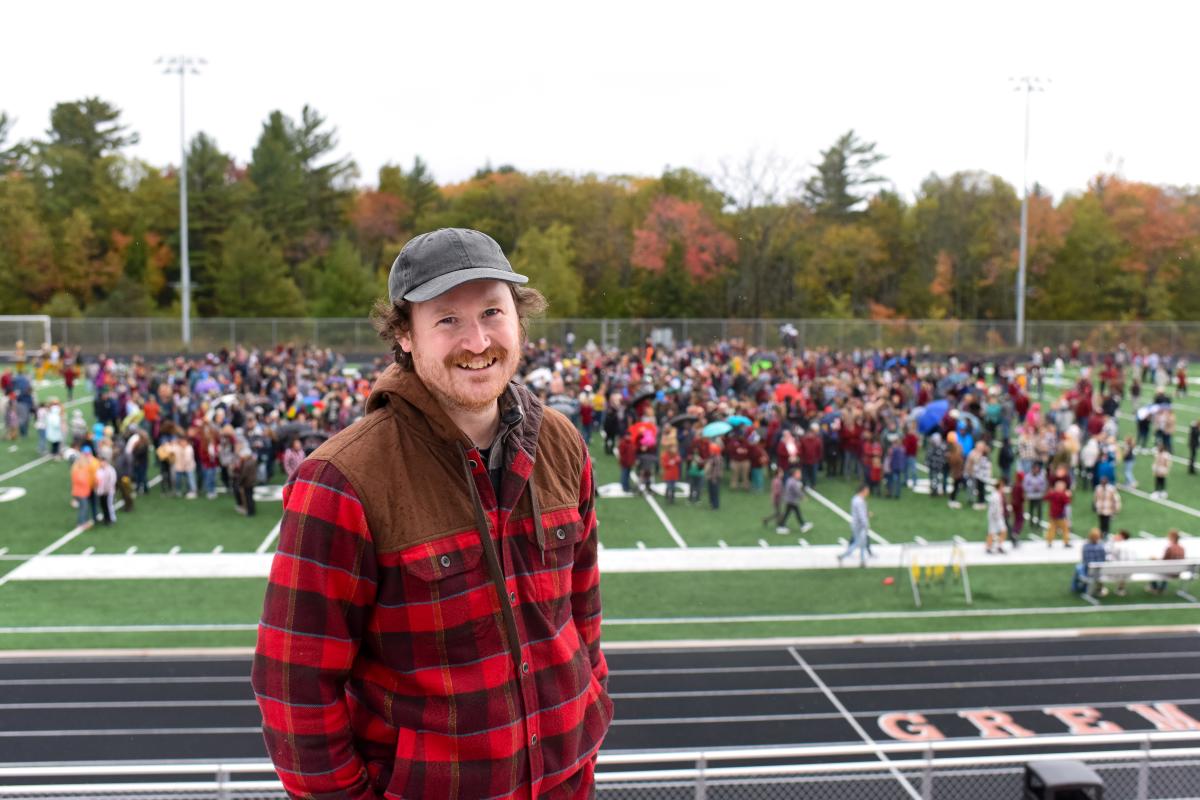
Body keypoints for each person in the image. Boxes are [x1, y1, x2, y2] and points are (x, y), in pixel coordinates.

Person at [252, 228, 611, 799]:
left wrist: (588, 703)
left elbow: (583, 611)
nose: (477, 340)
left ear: (519, 319)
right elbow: (293, 687)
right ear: (405, 336)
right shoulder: (342, 480)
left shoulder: (562, 441)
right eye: (446, 319)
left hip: (566, 784)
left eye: (493, 311)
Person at [839, 484, 872, 566]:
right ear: (863, 490)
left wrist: (866, 514)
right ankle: (843, 556)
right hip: (859, 525)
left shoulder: (856, 499)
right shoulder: (859, 501)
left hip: (856, 524)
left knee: (862, 543)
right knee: (858, 543)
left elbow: (860, 512)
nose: (868, 492)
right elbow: (861, 515)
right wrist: (866, 525)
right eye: (867, 490)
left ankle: (862, 561)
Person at [776, 467, 813, 534]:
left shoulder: (790, 480)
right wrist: (803, 497)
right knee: (795, 513)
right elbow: (797, 491)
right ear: (794, 474)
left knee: (789, 513)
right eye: (798, 473)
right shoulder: (793, 482)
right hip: (792, 501)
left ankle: (782, 526)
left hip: (790, 500)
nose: (800, 475)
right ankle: (802, 525)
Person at [1149, 529, 1186, 595]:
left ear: (1172, 538)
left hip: (1170, 572)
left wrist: (1154, 558)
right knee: (1167, 568)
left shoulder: (1170, 548)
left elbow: (1164, 560)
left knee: (1152, 569)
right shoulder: (1182, 548)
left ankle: (1154, 588)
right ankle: (1162, 588)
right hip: (1178, 571)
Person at [1071, 528, 1108, 595]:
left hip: (1089, 571)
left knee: (1079, 567)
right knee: (1096, 569)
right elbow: (1104, 559)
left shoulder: (1085, 546)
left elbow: (1084, 560)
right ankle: (1099, 588)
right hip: (1100, 571)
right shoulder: (1102, 547)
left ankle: (1075, 587)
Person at [1045, 479, 1072, 547]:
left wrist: (1049, 492)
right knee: (1065, 529)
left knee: (1051, 528)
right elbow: (1067, 502)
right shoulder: (1062, 494)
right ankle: (1066, 542)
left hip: (1053, 514)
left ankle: (1049, 541)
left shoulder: (1053, 493)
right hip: (1060, 515)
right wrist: (1068, 495)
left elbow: (1046, 497)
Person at [985, 477, 1008, 554]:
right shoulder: (995, 496)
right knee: (992, 532)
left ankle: (999, 546)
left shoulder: (997, 495)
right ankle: (989, 547)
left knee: (1002, 530)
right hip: (995, 517)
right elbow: (994, 508)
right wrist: (996, 517)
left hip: (997, 517)